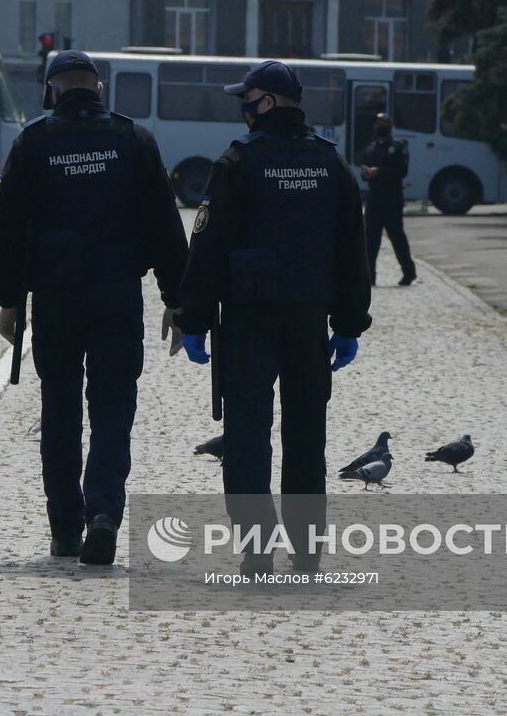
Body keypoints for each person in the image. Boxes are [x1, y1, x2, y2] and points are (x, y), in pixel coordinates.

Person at [0, 51, 189, 565]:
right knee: (113, 407)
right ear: (99, 88)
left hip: (55, 298)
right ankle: (103, 512)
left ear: (52, 89)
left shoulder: (33, 142)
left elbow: (8, 228)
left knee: (59, 409)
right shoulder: (134, 140)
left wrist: (10, 299)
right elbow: (164, 228)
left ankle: (64, 527)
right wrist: (177, 298)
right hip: (117, 294)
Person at [175, 59, 371, 573]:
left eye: (248, 98)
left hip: (248, 319)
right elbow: (353, 250)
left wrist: (192, 318)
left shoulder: (238, 161)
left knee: (247, 433)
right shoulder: (330, 163)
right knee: (307, 434)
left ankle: (257, 549)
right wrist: (349, 323)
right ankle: (307, 552)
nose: (243, 108)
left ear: (267, 103)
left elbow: (208, 244)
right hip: (309, 319)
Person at [359, 113, 416, 286]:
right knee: (370, 240)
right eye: (378, 123)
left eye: (384, 123)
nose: (380, 126)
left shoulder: (399, 147)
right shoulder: (371, 148)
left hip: (392, 198)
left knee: (397, 237)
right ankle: (370, 276)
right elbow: (364, 170)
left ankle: (409, 272)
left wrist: (381, 171)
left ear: (390, 126)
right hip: (374, 198)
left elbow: (402, 171)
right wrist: (367, 173)